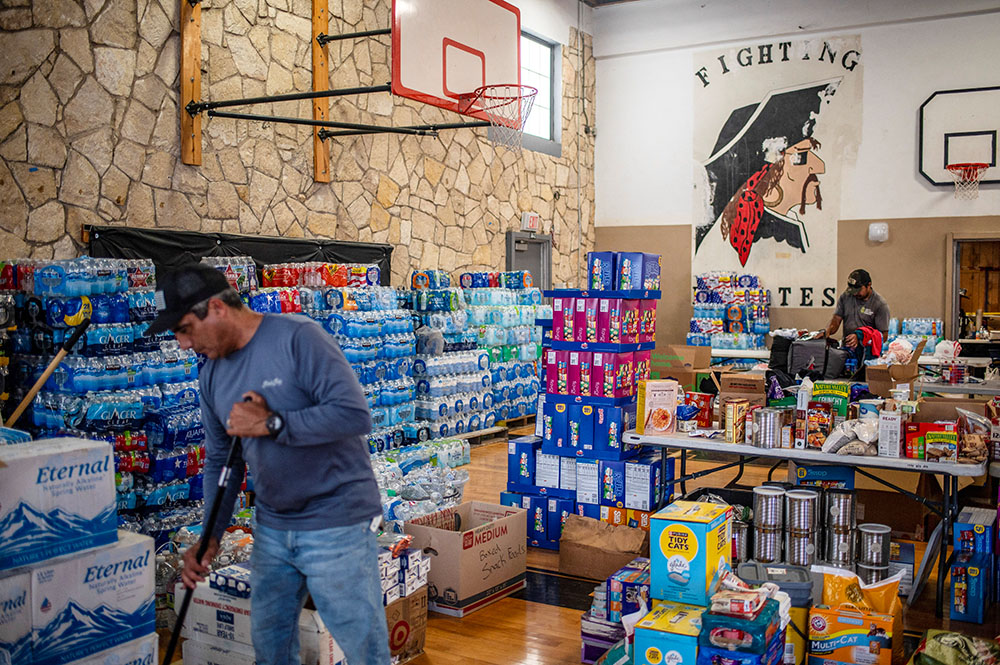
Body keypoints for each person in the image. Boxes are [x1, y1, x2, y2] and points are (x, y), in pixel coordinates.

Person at [147, 263, 391, 665]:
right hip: (273, 528)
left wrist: (272, 423)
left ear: (217, 308)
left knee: (365, 649)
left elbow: (353, 415)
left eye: (185, 328)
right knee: (270, 647)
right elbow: (221, 463)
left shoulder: (299, 338)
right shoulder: (211, 376)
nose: (182, 344)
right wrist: (211, 535)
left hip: (336, 522)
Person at [824, 268, 890, 358]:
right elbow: (836, 319)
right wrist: (827, 331)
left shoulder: (880, 304)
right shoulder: (846, 297)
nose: (855, 294)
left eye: (858, 290)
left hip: (867, 354)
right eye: (853, 290)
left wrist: (860, 337)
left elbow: (883, 336)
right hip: (847, 350)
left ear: (868, 285)